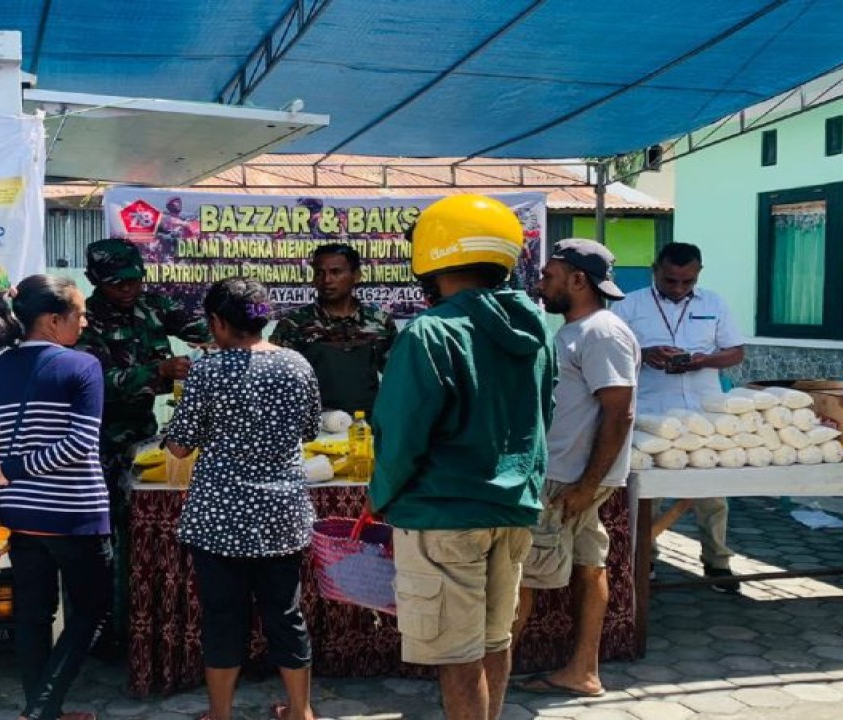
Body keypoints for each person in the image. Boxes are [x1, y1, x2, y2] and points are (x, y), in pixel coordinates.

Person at [368, 194, 556, 720]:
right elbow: (545, 417)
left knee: (457, 655)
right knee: (494, 642)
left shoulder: (431, 333)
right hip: (512, 513)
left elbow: (401, 436)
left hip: (443, 517)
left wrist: (380, 496)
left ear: (433, 255)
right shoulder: (538, 334)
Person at [163, 277, 321, 720]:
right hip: (281, 516)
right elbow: (309, 430)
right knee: (286, 615)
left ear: (217, 322)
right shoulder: (297, 365)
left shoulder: (208, 370)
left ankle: (220, 714)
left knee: (223, 619)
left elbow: (179, 446)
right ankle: (300, 711)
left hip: (219, 518)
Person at [0, 274, 110, 720]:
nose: (84, 321)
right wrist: (11, 469)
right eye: (78, 313)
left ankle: (43, 709)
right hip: (75, 516)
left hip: (19, 518)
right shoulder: (83, 367)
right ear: (51, 320)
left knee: (33, 617)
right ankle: (42, 711)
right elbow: (81, 444)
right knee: (92, 613)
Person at [511, 240, 639, 699]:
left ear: (578, 280)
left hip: (568, 477)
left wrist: (586, 485)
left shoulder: (600, 332)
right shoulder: (575, 331)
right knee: (589, 566)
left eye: (548, 276)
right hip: (573, 474)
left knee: (520, 577)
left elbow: (619, 411)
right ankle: (582, 671)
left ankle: (488, 684)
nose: (541, 285)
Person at [75, 238, 210, 656]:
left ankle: (155, 622)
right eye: (118, 284)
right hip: (98, 445)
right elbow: (95, 382)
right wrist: (159, 370)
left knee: (149, 534)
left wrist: (232, 343)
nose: (129, 290)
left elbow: (207, 330)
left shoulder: (153, 305)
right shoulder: (84, 320)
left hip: (144, 439)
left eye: (135, 280)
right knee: (106, 542)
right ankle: (110, 632)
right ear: (97, 281)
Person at [612, 242, 746, 593]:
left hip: (703, 412)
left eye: (687, 282)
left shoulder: (714, 303)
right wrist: (645, 354)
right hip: (651, 414)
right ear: (655, 269)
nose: (678, 288)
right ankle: (647, 559)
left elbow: (735, 352)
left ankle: (717, 562)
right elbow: (613, 352)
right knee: (646, 493)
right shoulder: (629, 305)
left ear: (698, 273)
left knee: (712, 493)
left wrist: (701, 360)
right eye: (670, 281)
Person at [269, 243, 398, 416]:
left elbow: (397, 375)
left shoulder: (380, 321)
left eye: (336, 272)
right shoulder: (294, 324)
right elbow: (276, 380)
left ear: (356, 275)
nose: (326, 280)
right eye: (320, 273)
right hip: (315, 428)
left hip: (367, 427)